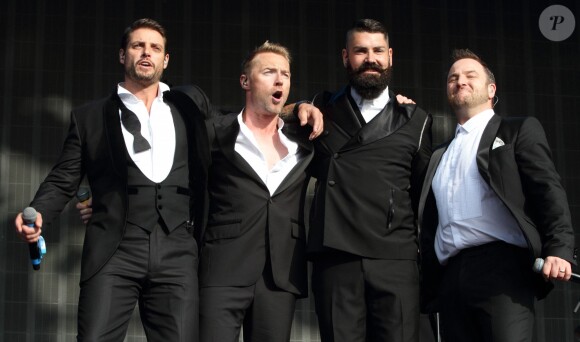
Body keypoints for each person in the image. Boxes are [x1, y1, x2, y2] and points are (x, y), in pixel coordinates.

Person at [13, 18, 218, 341]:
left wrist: (300, 109)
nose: (146, 53)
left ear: (166, 60)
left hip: (178, 248)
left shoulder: (188, 106)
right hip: (115, 249)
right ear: (123, 56)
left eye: (155, 48)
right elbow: (63, 178)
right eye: (138, 46)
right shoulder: (90, 116)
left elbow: (240, 126)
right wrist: (39, 211)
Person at [418, 48, 576, 342]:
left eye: (470, 75)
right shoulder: (439, 154)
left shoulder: (517, 130)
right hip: (450, 276)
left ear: (491, 89)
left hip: (502, 271)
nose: (460, 81)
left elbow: (547, 190)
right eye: (453, 77)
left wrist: (559, 249)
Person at [303, 19, 432, 342]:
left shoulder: (416, 119)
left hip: (396, 260)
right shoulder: (322, 107)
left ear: (390, 56)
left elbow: (424, 195)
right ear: (346, 57)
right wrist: (299, 107)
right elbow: (274, 115)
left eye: (377, 51)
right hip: (336, 257)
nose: (370, 58)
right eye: (360, 51)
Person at [198, 41, 313, 342]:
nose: (279, 80)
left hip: (280, 274)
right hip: (223, 268)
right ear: (245, 81)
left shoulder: (303, 141)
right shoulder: (216, 132)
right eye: (269, 72)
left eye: (285, 74)